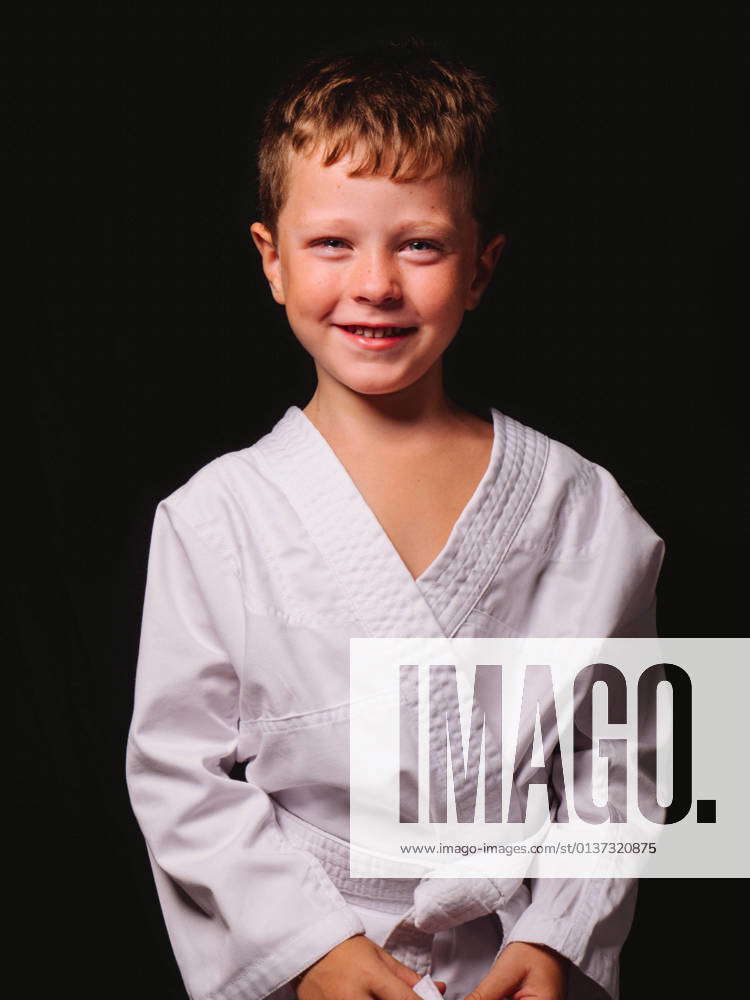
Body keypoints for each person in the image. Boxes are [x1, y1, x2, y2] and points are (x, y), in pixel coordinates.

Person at [125, 39, 665, 1000]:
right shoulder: (213, 517)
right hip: (315, 959)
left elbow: (644, 750)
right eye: (333, 242)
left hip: (517, 957)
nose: (376, 282)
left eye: (419, 244)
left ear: (482, 267)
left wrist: (563, 932)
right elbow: (178, 776)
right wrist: (310, 947)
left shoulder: (584, 505)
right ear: (273, 260)